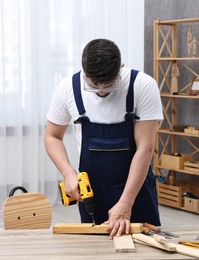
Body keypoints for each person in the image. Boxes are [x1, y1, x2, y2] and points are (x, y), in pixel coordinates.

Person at [45, 38, 163, 238]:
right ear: (84, 73)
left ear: (121, 69)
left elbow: (145, 148)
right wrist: (69, 174)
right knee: (95, 251)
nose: (101, 91)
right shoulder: (68, 88)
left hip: (136, 188)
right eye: (94, 86)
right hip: (93, 192)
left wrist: (126, 203)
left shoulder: (142, 86)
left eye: (108, 86)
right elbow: (52, 136)